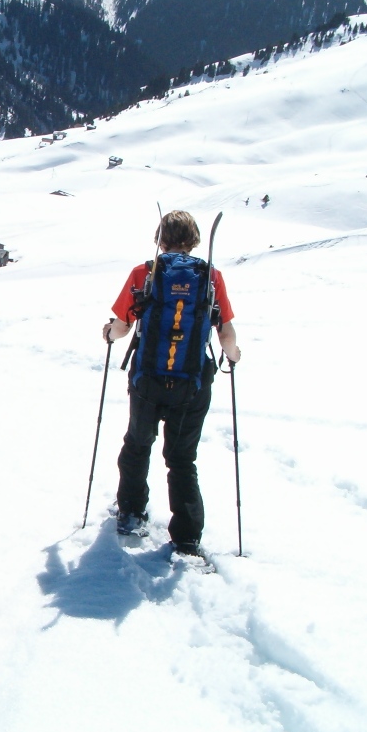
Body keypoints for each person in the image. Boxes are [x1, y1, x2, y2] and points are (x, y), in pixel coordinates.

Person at [101, 210, 241, 556]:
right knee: (181, 459)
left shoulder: (144, 273)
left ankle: (131, 512)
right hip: (192, 384)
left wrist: (108, 333)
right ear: (193, 239)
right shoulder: (210, 277)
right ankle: (187, 537)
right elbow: (224, 330)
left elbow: (122, 326)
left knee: (137, 444)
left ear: (160, 238)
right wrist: (234, 355)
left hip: (148, 380)